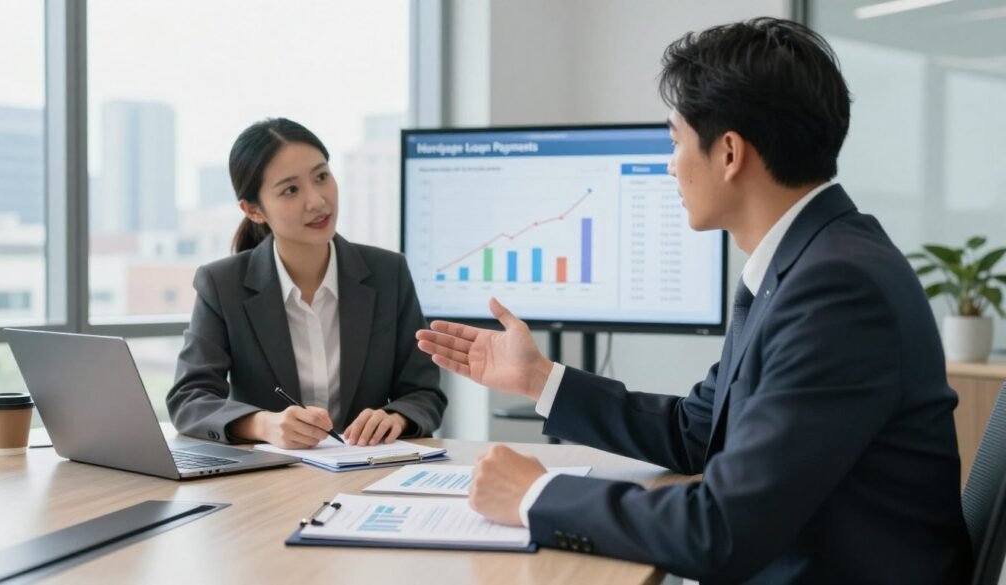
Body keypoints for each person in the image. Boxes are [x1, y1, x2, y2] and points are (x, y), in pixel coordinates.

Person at [416, 18, 971, 584]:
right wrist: (538, 378)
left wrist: (536, 495)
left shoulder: (837, 291)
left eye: (675, 140)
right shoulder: (807, 262)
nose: (669, 164)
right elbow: (700, 431)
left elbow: (723, 530)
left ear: (729, 153)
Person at [168, 118, 446, 449]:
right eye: (291, 189)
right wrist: (263, 425)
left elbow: (424, 392)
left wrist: (395, 418)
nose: (317, 201)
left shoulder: (389, 273)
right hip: (271, 479)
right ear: (254, 210)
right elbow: (189, 398)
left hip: (367, 471)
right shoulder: (222, 284)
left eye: (321, 177)